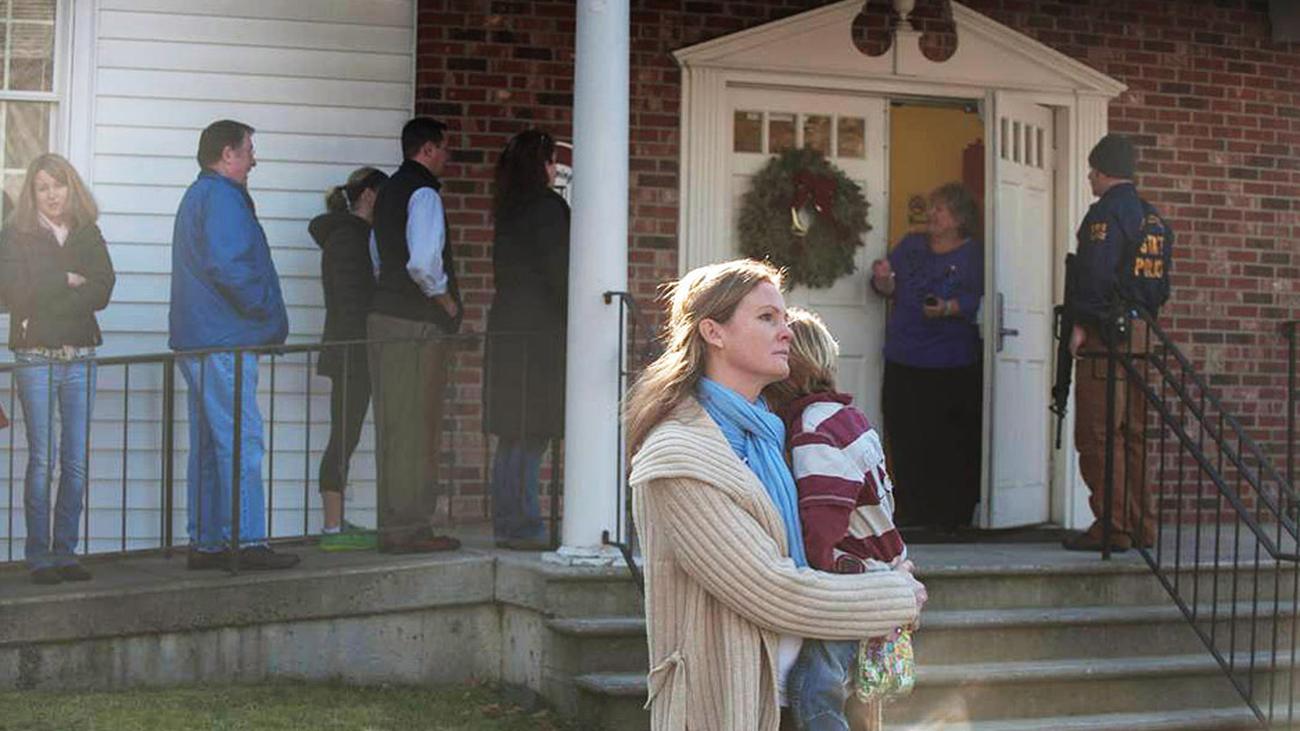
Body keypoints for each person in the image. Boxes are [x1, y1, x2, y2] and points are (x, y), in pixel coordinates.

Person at [627, 259, 926, 731]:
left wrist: (879, 569)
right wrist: (893, 593)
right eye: (767, 318)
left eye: (784, 317)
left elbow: (818, 548)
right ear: (713, 332)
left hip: (814, 695)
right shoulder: (680, 454)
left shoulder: (776, 435)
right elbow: (769, 589)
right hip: (733, 705)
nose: (786, 331)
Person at [766, 308, 909, 731]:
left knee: (816, 687)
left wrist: (812, 569)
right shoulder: (849, 417)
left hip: (852, 579)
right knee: (850, 691)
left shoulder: (815, 428)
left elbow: (824, 516)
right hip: (879, 568)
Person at [169, 119, 297, 571]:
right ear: (228, 154)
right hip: (225, 340)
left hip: (199, 339)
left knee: (209, 446)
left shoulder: (199, 195)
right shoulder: (222, 197)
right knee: (242, 442)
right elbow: (229, 266)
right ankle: (247, 541)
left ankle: (207, 544)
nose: (253, 160)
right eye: (248, 150)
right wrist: (265, 311)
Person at [0, 154, 115, 584]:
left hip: (81, 356)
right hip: (36, 357)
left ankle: (66, 551)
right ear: (32, 193)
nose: (52, 194)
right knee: (42, 460)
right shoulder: (16, 235)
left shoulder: (87, 231)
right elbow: (15, 293)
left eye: (59, 185)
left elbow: (103, 288)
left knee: (76, 461)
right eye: (43, 187)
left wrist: (51, 297)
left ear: (72, 188)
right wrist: (66, 279)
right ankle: (39, 556)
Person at [367, 117, 462, 554]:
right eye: (443, 148)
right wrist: (448, 304)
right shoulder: (423, 193)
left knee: (392, 423)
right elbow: (423, 263)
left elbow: (377, 257)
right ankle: (410, 526)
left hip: (383, 318)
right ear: (427, 149)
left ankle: (393, 522)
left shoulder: (388, 191)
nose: (446, 156)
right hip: (414, 323)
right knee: (417, 425)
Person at [1061, 134, 1158, 553]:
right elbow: (1159, 285)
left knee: (1098, 433)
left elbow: (1097, 274)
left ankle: (1112, 526)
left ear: (1103, 171)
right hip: (1142, 333)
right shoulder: (1152, 217)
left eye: (1092, 171)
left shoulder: (1105, 214)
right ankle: (1140, 526)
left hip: (1107, 335)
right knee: (1133, 435)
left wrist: (1082, 324)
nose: (1089, 178)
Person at [869, 181, 984, 533]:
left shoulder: (974, 255)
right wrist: (883, 279)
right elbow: (886, 288)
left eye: (940, 209)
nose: (932, 214)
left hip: (953, 362)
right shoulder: (911, 245)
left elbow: (981, 298)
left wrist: (949, 307)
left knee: (949, 441)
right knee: (906, 437)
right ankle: (911, 511)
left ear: (960, 218)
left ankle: (951, 516)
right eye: (932, 207)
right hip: (905, 355)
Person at [483, 130, 569, 551]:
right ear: (541, 164)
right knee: (532, 430)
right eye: (551, 160)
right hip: (539, 334)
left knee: (513, 432)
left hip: (508, 328)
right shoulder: (547, 208)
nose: (555, 169)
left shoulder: (509, 208)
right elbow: (561, 272)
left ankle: (509, 522)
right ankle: (524, 525)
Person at [310, 167, 388, 551]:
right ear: (369, 195)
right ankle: (332, 528)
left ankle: (337, 522)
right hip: (351, 351)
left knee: (348, 433)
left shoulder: (356, 236)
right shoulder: (347, 237)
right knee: (343, 434)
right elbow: (348, 299)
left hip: (355, 349)